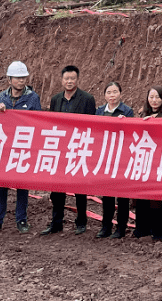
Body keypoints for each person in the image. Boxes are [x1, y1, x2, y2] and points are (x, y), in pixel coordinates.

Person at [0, 61, 43, 234]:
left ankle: (21, 220)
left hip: (23, 148)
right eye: (17, 78)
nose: (21, 81)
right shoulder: (2, 97)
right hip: (5, 148)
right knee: (1, 186)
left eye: (23, 77)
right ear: (10, 79)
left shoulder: (33, 98)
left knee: (22, 186)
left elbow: (38, 122)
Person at [43, 65, 96, 236]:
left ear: (77, 79)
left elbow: (92, 125)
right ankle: (56, 222)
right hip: (60, 149)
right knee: (57, 189)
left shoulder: (87, 99)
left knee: (79, 188)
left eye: (72, 78)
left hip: (79, 147)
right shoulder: (56, 99)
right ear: (62, 80)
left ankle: (81, 222)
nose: (69, 81)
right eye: (66, 78)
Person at [134, 86, 162, 242]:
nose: (154, 100)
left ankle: (160, 232)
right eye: (151, 97)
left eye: (157, 97)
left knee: (158, 200)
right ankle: (142, 230)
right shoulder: (143, 114)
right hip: (143, 161)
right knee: (141, 197)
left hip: (160, 162)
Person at [95, 81, 133, 239]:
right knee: (107, 195)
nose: (112, 95)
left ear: (120, 94)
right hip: (106, 157)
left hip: (122, 158)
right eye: (109, 92)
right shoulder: (99, 111)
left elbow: (132, 133)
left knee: (122, 196)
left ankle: (121, 228)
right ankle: (106, 226)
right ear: (104, 95)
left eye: (115, 92)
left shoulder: (127, 111)